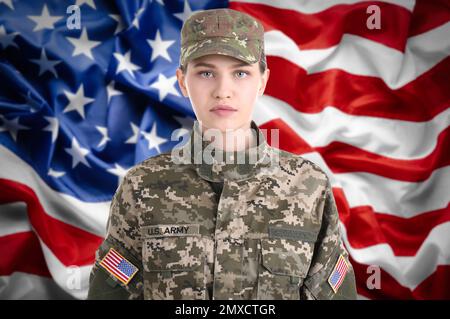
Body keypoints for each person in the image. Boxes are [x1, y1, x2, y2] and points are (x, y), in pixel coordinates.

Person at [87, 8, 357, 300]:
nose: (222, 90)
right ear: (182, 81)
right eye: (205, 72)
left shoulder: (308, 186)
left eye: (240, 72)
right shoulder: (141, 186)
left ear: (263, 82)